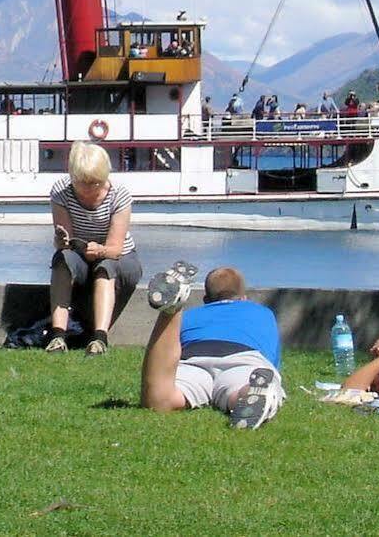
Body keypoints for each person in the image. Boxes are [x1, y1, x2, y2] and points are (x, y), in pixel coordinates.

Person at [139, 264, 285, 430]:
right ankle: (248, 392)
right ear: (244, 298)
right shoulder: (262, 313)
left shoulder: (191, 315)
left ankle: (171, 311)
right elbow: (272, 358)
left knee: (162, 401)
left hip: (195, 358)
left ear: (206, 300)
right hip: (244, 357)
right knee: (237, 391)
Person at [45, 141, 140, 355]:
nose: (89, 189)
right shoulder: (61, 191)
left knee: (105, 267)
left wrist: (100, 250)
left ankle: (99, 338)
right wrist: (62, 241)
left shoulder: (119, 195)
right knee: (62, 260)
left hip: (118, 256)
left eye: (95, 183)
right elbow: (65, 239)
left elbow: (115, 249)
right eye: (83, 183)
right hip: (80, 253)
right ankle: (58, 335)